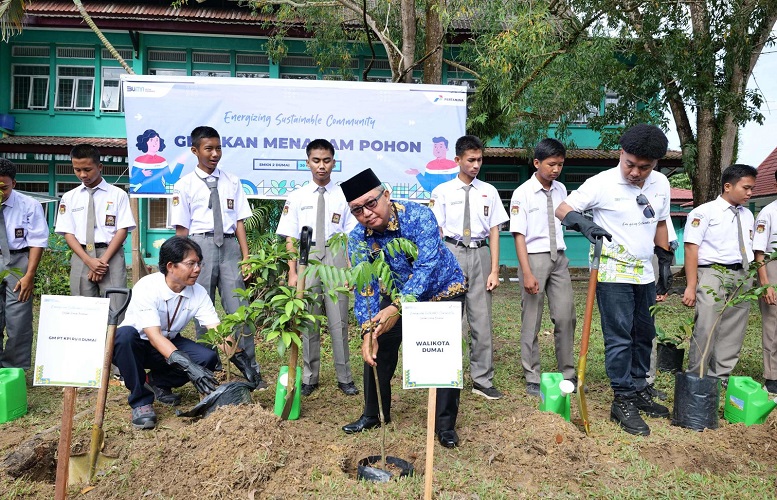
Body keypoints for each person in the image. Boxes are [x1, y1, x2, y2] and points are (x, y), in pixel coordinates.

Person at [555, 123, 672, 436]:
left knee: (645, 334)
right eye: (630, 164)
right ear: (621, 153)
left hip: (644, 273)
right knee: (620, 337)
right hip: (612, 273)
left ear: (655, 164)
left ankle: (639, 390)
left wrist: (664, 260)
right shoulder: (602, 183)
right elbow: (562, 207)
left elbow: (660, 221)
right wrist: (582, 224)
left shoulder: (660, 183)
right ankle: (622, 400)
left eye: (644, 167)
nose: (635, 172)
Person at [340, 168, 468, 448]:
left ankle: (444, 426)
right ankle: (374, 414)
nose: (366, 214)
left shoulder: (419, 217)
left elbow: (425, 268)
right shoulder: (358, 238)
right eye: (357, 210)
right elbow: (366, 286)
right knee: (378, 344)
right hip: (396, 295)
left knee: (440, 354)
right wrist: (367, 329)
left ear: (386, 195)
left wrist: (396, 308)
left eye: (371, 203)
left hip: (441, 291)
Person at [112, 236, 258, 429]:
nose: (197, 269)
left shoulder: (197, 292)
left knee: (206, 358)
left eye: (199, 263)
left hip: (168, 342)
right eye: (191, 264)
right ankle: (141, 401)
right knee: (124, 337)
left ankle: (156, 382)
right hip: (138, 344)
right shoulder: (147, 287)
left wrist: (242, 362)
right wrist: (189, 366)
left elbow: (218, 332)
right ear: (171, 266)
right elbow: (154, 336)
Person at [171, 126, 266, 388]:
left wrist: (246, 257)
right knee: (204, 309)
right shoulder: (184, 185)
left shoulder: (232, 181)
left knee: (239, 309)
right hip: (198, 247)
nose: (215, 154)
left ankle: (252, 370)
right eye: (208, 149)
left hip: (229, 247)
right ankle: (209, 369)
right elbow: (182, 229)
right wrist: (183, 263)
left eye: (218, 148)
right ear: (195, 151)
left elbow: (239, 223)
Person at [275, 139, 358, 396]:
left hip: (335, 258)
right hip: (306, 259)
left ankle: (344, 376)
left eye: (327, 160)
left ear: (334, 162)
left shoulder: (345, 195)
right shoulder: (297, 196)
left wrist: (349, 270)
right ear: (308, 162)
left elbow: (351, 236)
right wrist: (292, 271)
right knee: (308, 319)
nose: (322, 166)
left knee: (339, 319)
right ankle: (310, 376)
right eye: (316, 161)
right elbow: (290, 236)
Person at [430, 135, 508, 400]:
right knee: (451, 317)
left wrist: (494, 269)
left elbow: (495, 230)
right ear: (457, 160)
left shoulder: (489, 191)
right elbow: (436, 230)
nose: (476, 165)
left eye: (479, 160)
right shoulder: (442, 192)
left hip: (480, 253)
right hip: (450, 252)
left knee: (481, 318)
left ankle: (482, 379)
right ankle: (448, 374)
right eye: (471, 160)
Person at [509, 138, 575, 396]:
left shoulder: (561, 189)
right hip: (534, 258)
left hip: (559, 257)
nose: (556, 170)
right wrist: (526, 272)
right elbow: (518, 235)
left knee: (566, 315)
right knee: (532, 319)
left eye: (560, 164)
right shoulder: (522, 193)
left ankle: (567, 373)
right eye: (551, 164)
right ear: (537, 163)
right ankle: (532, 375)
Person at [682, 164, 757, 384]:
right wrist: (691, 285)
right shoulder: (704, 212)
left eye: (751, 188)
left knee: (734, 327)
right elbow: (691, 248)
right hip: (712, 273)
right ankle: (697, 376)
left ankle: (720, 375)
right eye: (746, 188)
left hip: (741, 273)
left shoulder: (748, 215)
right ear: (727, 186)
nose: (750, 193)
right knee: (706, 324)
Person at [56, 144, 136, 319]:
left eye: (87, 169)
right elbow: (67, 233)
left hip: (110, 255)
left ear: (99, 167)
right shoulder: (69, 197)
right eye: (77, 170)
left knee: (116, 306)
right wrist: (89, 261)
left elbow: (122, 230)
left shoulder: (117, 195)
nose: (83, 175)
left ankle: (113, 345)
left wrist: (102, 262)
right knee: (82, 308)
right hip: (81, 254)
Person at [0, 158, 48, 369]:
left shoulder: (29, 205)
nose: (0, 192)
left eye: (4, 187)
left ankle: (14, 370)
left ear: (14, 183)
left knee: (18, 320)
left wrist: (29, 275)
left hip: (18, 261)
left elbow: (37, 241)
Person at [753, 170, 777, 394]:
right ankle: (773, 377)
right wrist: (765, 284)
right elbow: (759, 252)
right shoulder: (768, 213)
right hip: (773, 266)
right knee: (773, 324)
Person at [130, 129, 186, 195]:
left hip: (161, 194)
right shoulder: (139, 160)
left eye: (157, 140)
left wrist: (180, 164)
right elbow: (133, 181)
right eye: (151, 140)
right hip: (142, 194)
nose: (155, 143)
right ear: (146, 142)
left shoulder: (162, 161)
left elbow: (171, 180)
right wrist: (142, 175)